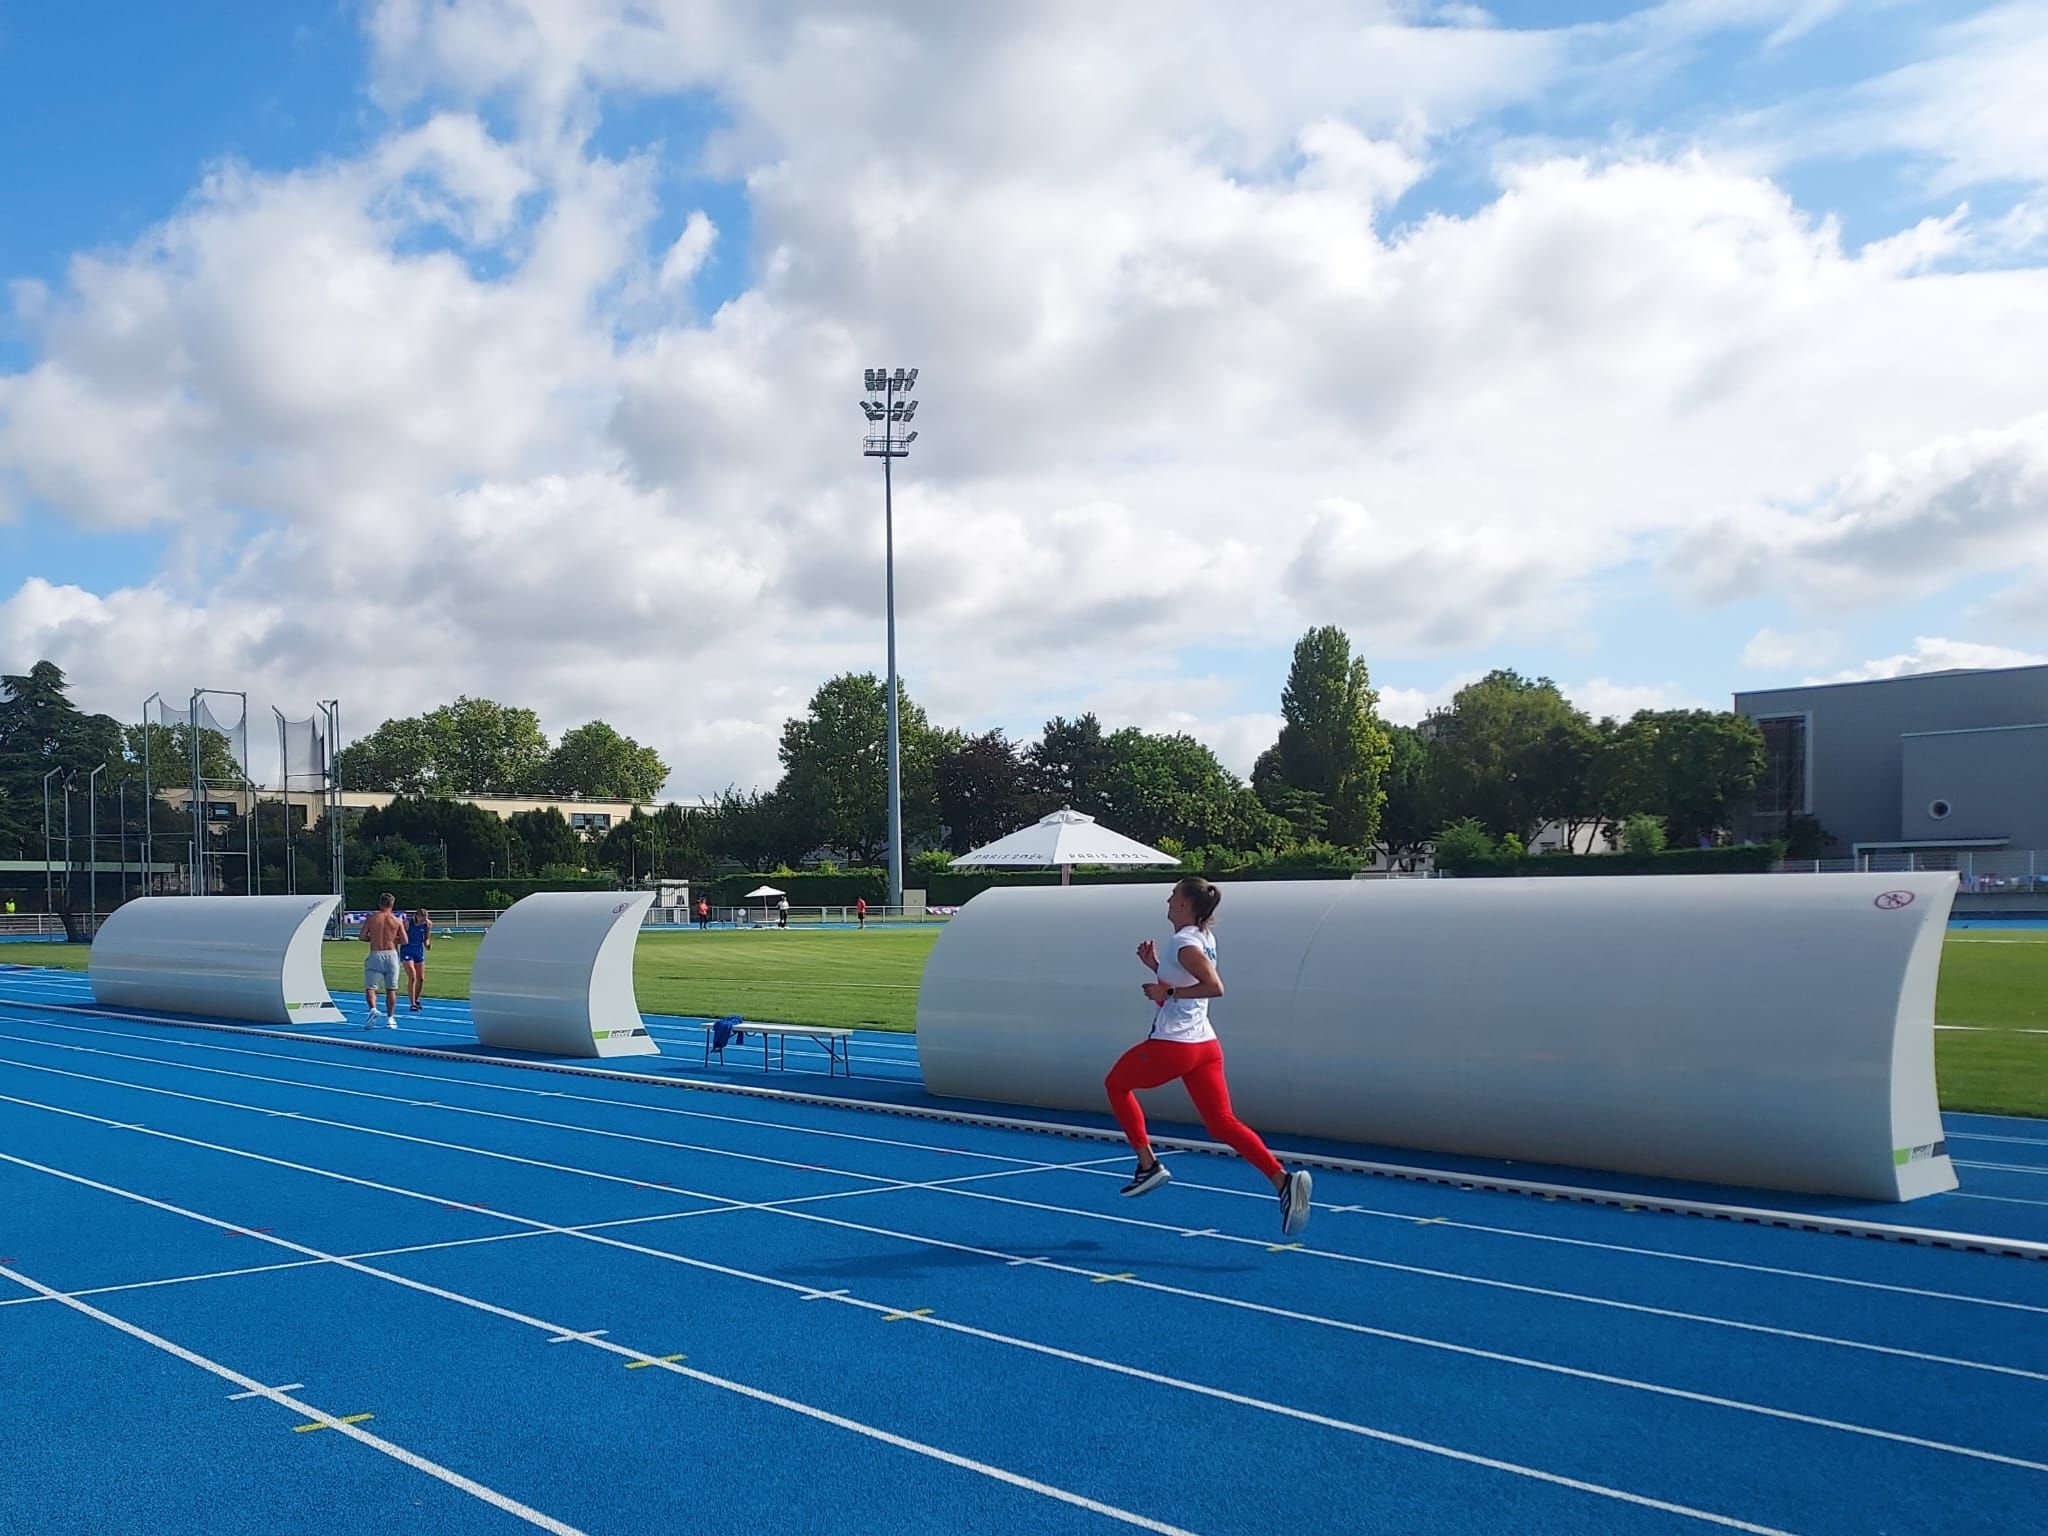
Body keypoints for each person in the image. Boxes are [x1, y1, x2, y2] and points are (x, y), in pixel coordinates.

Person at [1105, 876, 1312, 1235]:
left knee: (1116, 1085)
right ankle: (1283, 1182)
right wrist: (1156, 967)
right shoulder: (1202, 938)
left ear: (1185, 905)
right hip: (1204, 1047)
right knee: (1221, 1123)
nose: (1167, 901)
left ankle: (1147, 1164)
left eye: (1172, 896)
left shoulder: (1184, 942)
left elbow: (1214, 987)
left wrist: (1165, 991)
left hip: (1175, 1046)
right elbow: (1189, 982)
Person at [359, 893, 406, 1028]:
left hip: (376, 953)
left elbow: (362, 936)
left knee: (370, 987)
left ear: (380, 904)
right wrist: (392, 939)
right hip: (391, 954)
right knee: (391, 989)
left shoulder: (372, 918)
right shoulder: (396, 920)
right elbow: (404, 940)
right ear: (392, 905)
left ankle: (373, 1009)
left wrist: (372, 938)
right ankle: (390, 1018)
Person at [399, 906, 433, 1012]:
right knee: (412, 976)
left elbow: (426, 938)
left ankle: (416, 999)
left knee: (421, 978)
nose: (424, 921)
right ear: (417, 916)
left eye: (425, 919)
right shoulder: (407, 923)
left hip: (418, 951)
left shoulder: (427, 924)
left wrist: (427, 945)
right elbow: (399, 937)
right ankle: (412, 1003)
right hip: (407, 951)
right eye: (422, 919)